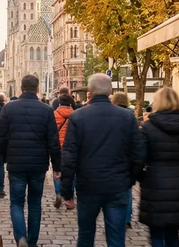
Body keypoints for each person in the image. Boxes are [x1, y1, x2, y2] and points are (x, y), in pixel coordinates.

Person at [61, 74, 145, 247]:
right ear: (111, 92)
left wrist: (67, 191)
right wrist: (129, 179)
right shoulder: (126, 117)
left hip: (88, 185)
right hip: (117, 185)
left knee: (85, 234)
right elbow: (138, 153)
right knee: (116, 237)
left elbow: (69, 157)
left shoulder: (78, 117)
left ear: (89, 93)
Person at [0, 75, 61, 247]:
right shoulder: (46, 110)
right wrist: (57, 166)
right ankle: (31, 242)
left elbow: (0, 137)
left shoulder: (8, 109)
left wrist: (5, 156)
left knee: (16, 202)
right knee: (34, 203)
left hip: (16, 164)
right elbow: (53, 141)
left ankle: (20, 237)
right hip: (38, 164)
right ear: (37, 88)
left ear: (21, 88)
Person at [139, 87, 179, 247]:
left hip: (154, 181)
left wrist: (142, 176)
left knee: (156, 233)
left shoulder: (148, 127)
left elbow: (138, 157)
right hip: (178, 182)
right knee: (173, 232)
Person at [109, 92, 135, 229]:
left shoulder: (112, 115)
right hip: (127, 158)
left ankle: (116, 219)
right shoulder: (131, 115)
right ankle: (127, 218)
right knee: (128, 191)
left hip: (115, 157)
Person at [53, 93, 75, 210]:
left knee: (58, 172)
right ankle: (70, 194)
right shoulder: (75, 114)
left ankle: (58, 193)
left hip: (57, 147)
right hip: (70, 147)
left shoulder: (54, 114)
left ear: (59, 103)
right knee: (71, 172)